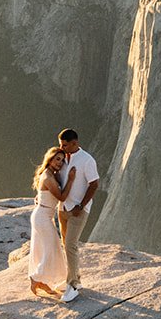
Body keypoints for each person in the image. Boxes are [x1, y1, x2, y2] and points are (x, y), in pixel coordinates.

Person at [55, 128, 99, 303]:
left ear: (75, 143)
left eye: (65, 145)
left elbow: (94, 184)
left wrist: (81, 205)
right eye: (61, 145)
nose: (62, 148)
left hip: (77, 210)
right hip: (63, 208)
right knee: (66, 244)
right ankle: (75, 279)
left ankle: (72, 286)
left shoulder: (87, 160)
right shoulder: (63, 157)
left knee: (71, 245)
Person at [26, 146, 71, 298]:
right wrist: (71, 179)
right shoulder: (48, 177)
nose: (60, 162)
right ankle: (35, 278)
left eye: (62, 160)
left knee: (43, 249)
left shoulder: (51, 174)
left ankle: (42, 281)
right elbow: (61, 197)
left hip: (43, 215)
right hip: (42, 217)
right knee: (51, 248)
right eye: (57, 159)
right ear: (50, 159)